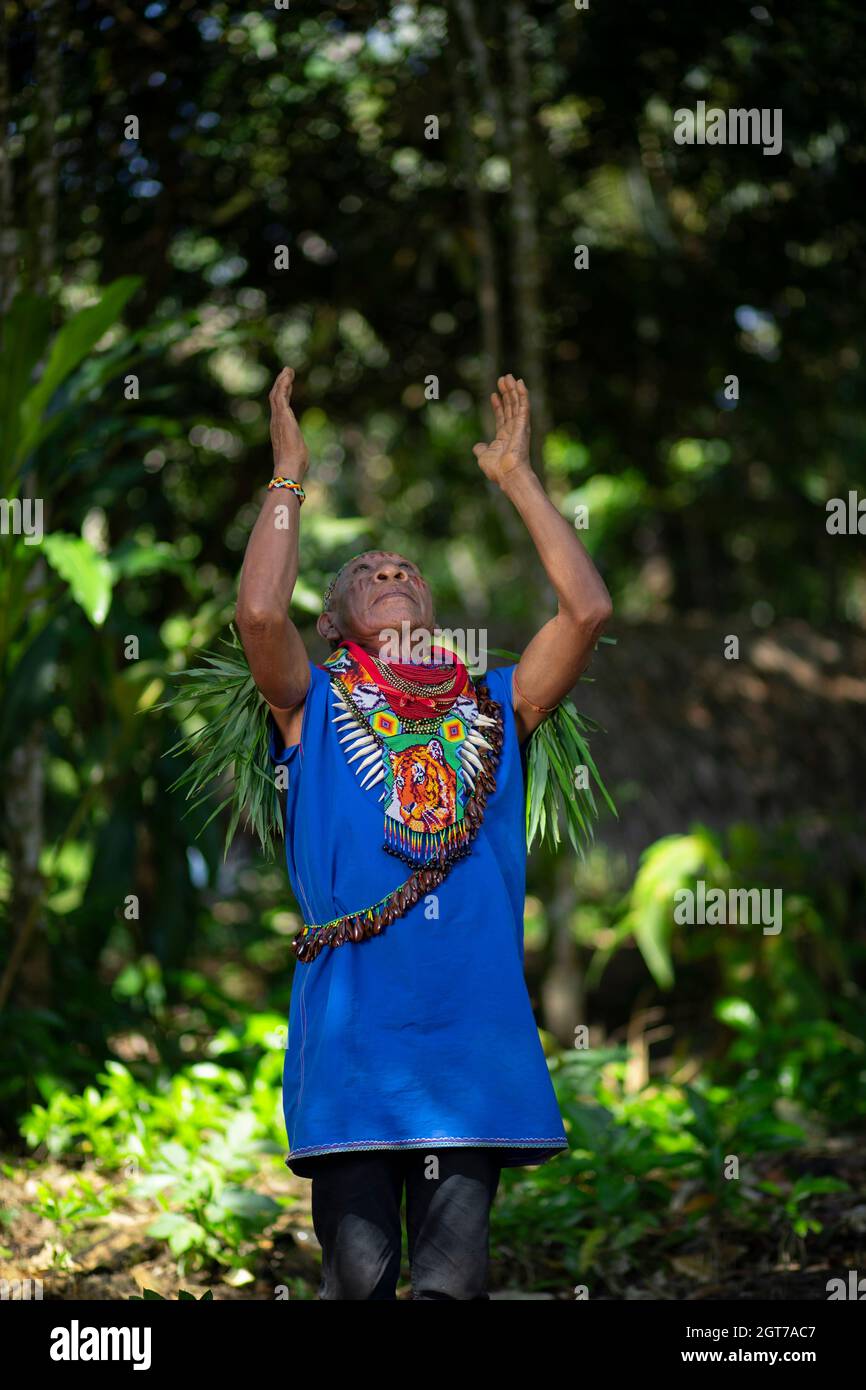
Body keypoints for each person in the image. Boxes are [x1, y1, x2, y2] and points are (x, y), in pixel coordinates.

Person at [236, 367, 612, 1300]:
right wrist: (287, 476)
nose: (392, 571)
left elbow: (589, 610)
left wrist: (518, 478)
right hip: (356, 1038)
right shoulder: (312, 708)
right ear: (336, 623)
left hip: (467, 1037)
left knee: (453, 1284)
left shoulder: (497, 705)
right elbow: (256, 613)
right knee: (359, 1284)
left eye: (406, 570)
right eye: (366, 573)